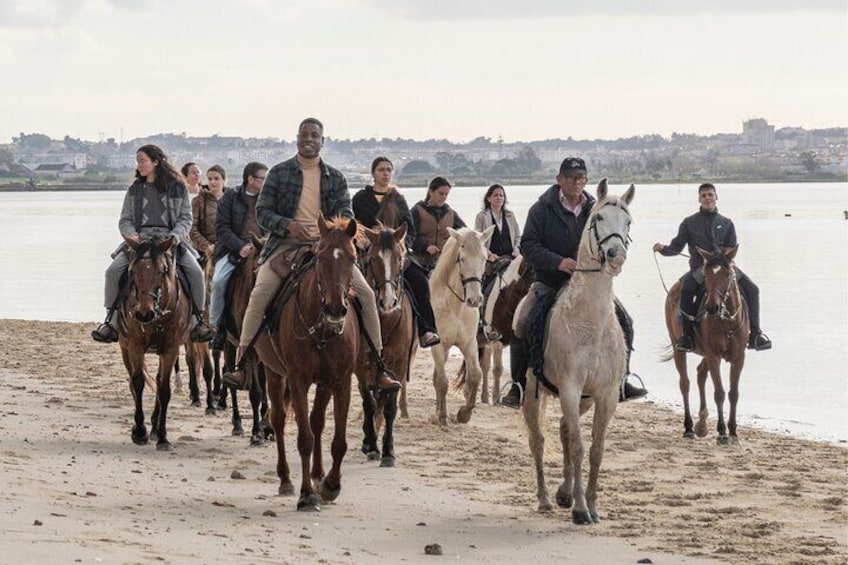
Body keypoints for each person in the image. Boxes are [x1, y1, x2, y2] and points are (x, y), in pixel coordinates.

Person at [222, 118, 400, 392]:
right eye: (304, 135)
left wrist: (328, 233)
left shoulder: (337, 178)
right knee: (259, 293)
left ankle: (377, 368)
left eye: (314, 135)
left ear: (322, 141)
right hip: (285, 246)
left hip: (328, 249)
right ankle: (243, 364)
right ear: (297, 138)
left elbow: (347, 216)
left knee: (364, 294)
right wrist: (288, 226)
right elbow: (263, 212)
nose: (309, 139)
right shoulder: (279, 174)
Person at [501, 157, 648, 408]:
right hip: (549, 281)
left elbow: (606, 241)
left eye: (581, 178)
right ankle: (518, 385)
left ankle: (621, 380)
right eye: (571, 177)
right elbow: (528, 245)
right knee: (522, 321)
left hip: (589, 286)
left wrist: (610, 263)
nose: (577, 182)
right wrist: (558, 262)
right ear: (559, 179)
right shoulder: (541, 208)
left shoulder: (596, 207)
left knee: (626, 321)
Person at [92, 145, 216, 343]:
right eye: (137, 161)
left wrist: (174, 237)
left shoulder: (178, 188)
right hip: (140, 244)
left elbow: (186, 218)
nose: (139, 165)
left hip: (169, 242)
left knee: (196, 272)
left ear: (156, 162)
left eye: (142, 161)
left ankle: (196, 321)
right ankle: (112, 321)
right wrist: (131, 236)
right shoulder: (134, 190)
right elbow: (125, 220)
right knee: (113, 271)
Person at [652, 182, 772, 352]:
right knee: (687, 290)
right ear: (699, 199)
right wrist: (662, 249)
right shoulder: (689, 223)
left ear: (716, 197)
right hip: (700, 269)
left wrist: (726, 259)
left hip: (724, 268)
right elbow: (676, 247)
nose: (707, 198)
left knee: (753, 289)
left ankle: (755, 335)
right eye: (704, 195)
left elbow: (731, 246)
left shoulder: (727, 223)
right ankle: (687, 336)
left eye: (710, 195)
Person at [351, 156, 440, 348]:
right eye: (381, 169)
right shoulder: (360, 198)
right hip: (368, 252)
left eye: (389, 170)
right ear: (373, 173)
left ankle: (426, 330)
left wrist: (401, 245)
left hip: (394, 254)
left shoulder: (398, 198)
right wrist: (360, 239)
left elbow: (410, 230)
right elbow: (352, 224)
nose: (385, 173)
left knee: (420, 282)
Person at [410, 177, 501, 343]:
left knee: (472, 281)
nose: (443, 197)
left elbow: (467, 235)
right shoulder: (416, 211)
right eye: (440, 193)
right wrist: (425, 246)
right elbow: (409, 237)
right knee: (418, 289)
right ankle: (420, 327)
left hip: (445, 263)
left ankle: (480, 325)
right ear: (431, 191)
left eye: (446, 194)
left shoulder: (450, 213)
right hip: (422, 262)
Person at [208, 162, 268, 349]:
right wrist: (240, 247)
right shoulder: (230, 197)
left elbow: (275, 224)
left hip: (264, 248)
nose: (266, 182)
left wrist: (265, 242)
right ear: (250, 179)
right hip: (233, 249)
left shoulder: (268, 198)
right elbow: (221, 228)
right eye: (262, 178)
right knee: (218, 282)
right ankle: (217, 328)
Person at [475, 183, 521, 340]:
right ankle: (483, 322)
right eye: (495, 195)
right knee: (486, 288)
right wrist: (489, 255)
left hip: (510, 257)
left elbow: (518, 237)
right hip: (492, 259)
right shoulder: (482, 216)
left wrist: (517, 249)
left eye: (501, 195)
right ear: (488, 198)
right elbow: (479, 239)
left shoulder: (510, 215)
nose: (499, 198)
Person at [189, 164, 227, 266]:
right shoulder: (198, 201)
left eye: (216, 178)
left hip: (229, 250)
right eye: (210, 179)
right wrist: (207, 246)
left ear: (224, 180)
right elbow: (193, 229)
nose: (212, 182)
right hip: (205, 253)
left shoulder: (232, 200)